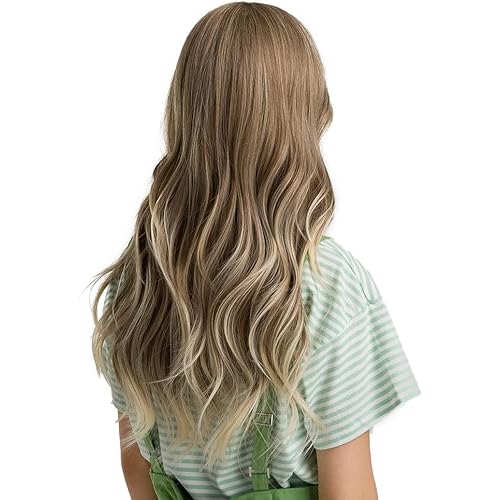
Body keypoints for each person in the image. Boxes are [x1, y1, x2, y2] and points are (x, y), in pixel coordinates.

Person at [90, 2, 421, 499]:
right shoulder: (326, 284)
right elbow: (349, 491)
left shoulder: (134, 284)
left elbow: (137, 468)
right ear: (305, 118)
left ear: (183, 112)